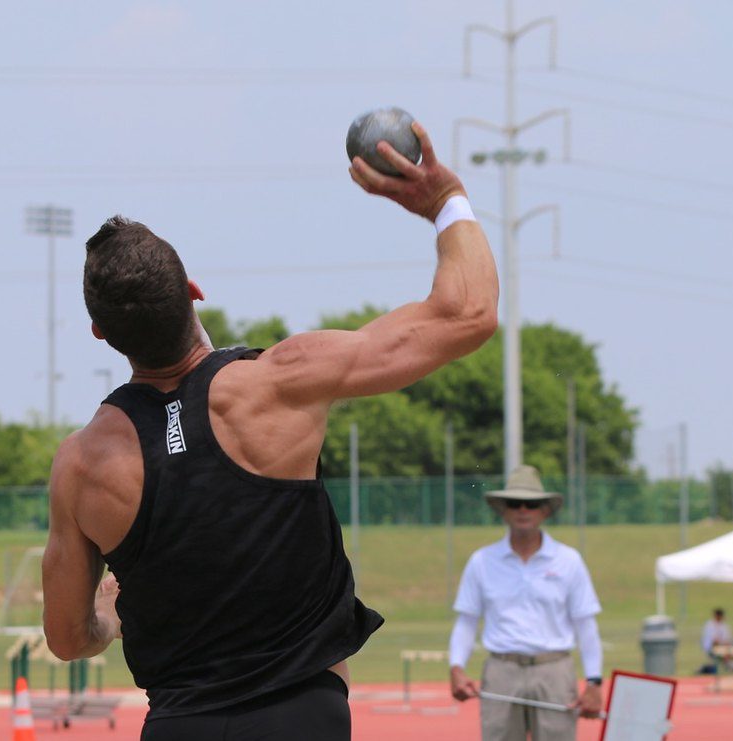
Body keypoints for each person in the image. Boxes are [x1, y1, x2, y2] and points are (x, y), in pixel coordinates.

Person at [39, 121, 499, 739]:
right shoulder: (280, 381)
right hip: (302, 717)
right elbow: (467, 314)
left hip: (179, 725)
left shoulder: (81, 466)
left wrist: (106, 619)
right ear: (194, 293)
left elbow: (67, 640)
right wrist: (445, 201)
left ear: (102, 334)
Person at [448, 465, 605, 740]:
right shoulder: (482, 561)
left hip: (554, 670)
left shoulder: (568, 560)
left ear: (545, 510)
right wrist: (456, 667)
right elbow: (467, 620)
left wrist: (594, 681)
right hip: (502, 670)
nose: (523, 510)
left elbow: (586, 624)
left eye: (531, 504)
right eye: (514, 503)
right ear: (503, 510)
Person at [701, 608, 733, 673]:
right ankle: (728, 665)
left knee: (729, 650)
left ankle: (730, 665)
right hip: (710, 648)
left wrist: (725, 645)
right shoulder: (709, 625)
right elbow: (714, 641)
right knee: (721, 650)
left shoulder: (724, 625)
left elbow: (726, 639)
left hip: (722, 647)